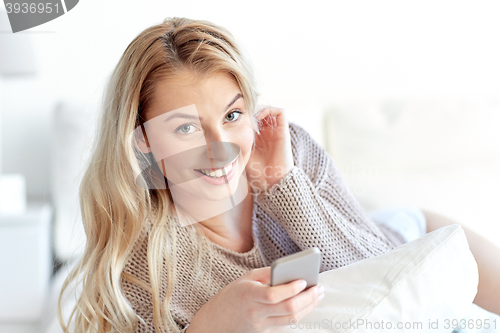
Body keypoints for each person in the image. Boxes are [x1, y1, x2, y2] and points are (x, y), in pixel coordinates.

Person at [57, 17, 500, 333]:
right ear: (144, 142)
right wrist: (209, 327)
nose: (221, 147)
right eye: (186, 127)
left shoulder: (285, 149)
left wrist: (282, 185)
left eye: (232, 114)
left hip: (406, 233)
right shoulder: (143, 259)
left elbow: (378, 277)